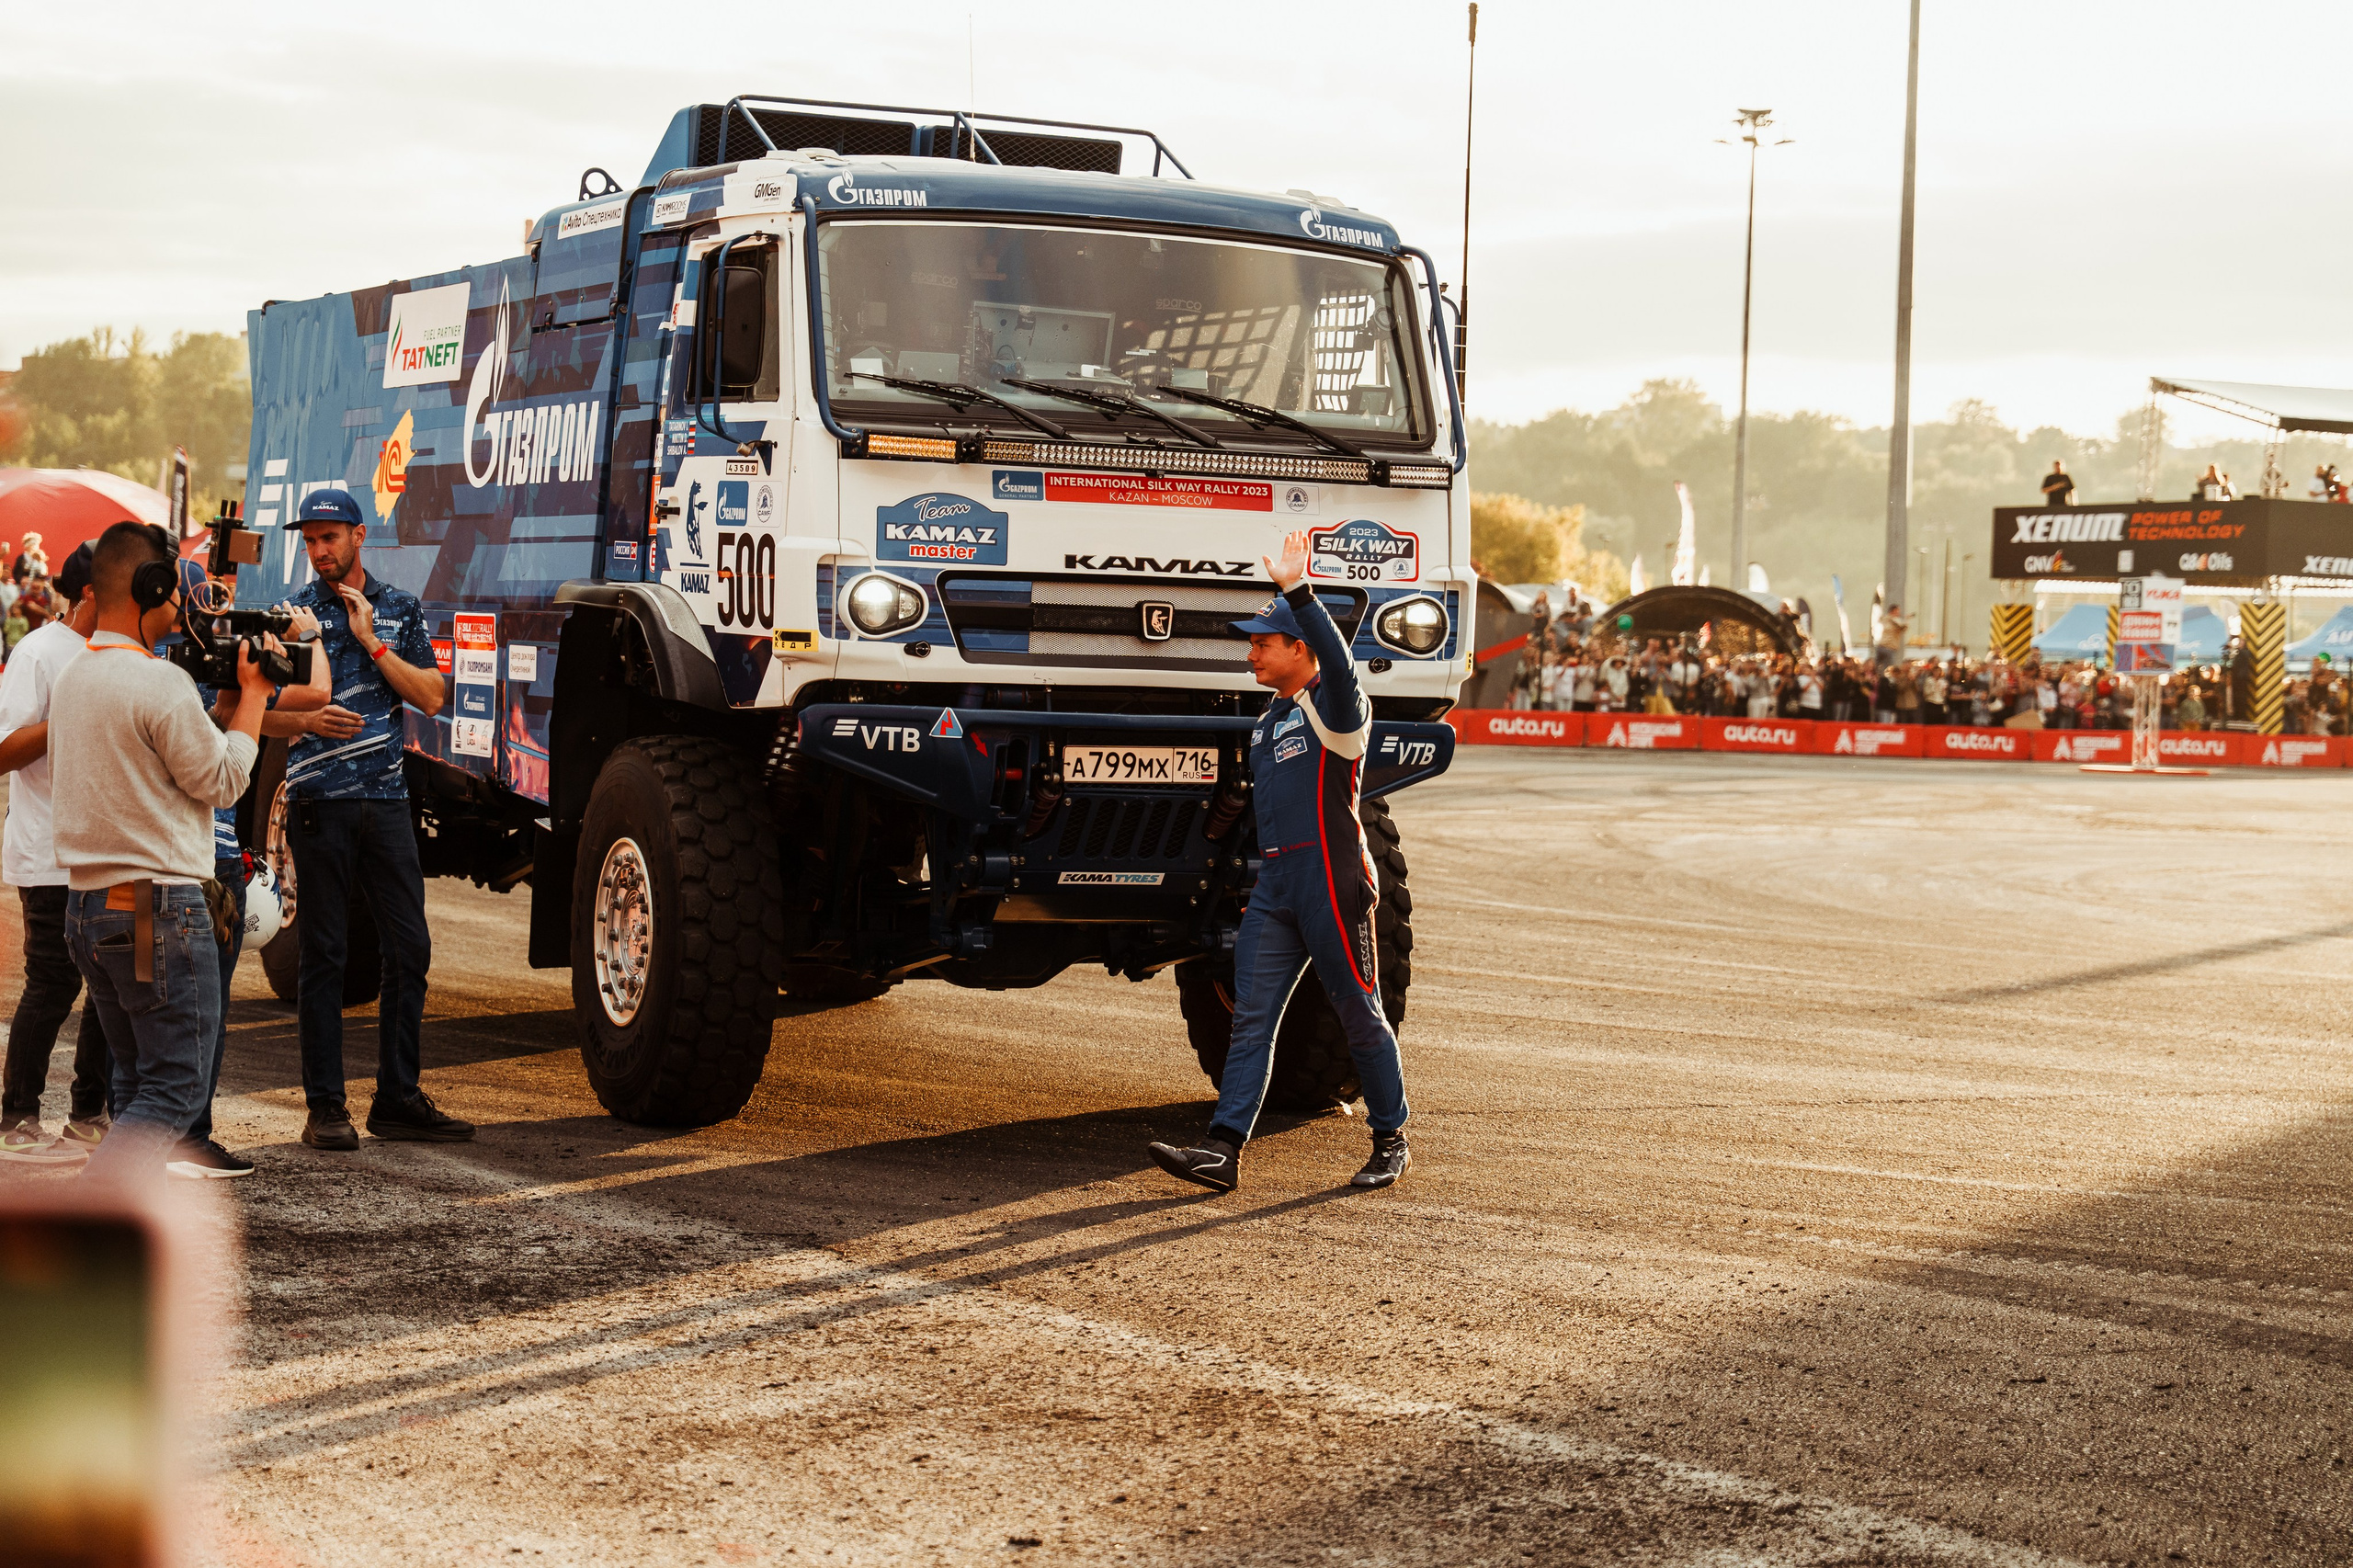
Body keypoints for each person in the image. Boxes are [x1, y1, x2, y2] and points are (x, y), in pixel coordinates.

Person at [1147, 528, 1410, 1193]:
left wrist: (1300, 592)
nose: (1251, 652)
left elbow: (1339, 664)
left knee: (1358, 1014)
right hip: (1276, 885)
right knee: (1251, 1020)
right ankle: (1222, 1150)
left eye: (1264, 642)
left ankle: (1391, 1139)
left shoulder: (1337, 708)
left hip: (1333, 881)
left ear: (1299, 647)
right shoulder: (1268, 720)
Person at [46, 522, 275, 1181]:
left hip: (90, 907)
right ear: (151, 588)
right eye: (175, 592)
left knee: (138, 1082)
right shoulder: (160, 683)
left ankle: (122, 1222)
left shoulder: (73, 677)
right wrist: (255, 699)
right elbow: (224, 781)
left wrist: (228, 706)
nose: (182, 606)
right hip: (152, 907)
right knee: (174, 1089)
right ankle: (89, 1221)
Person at [278, 487, 471, 1150]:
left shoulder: (399, 608)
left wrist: (371, 642)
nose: (318, 550)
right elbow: (248, 710)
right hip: (318, 801)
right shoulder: (293, 616)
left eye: (329, 537)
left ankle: (397, 1098)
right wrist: (306, 718)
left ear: (359, 536)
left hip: (387, 800)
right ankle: (325, 1107)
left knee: (409, 948)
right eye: (310, 540)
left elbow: (434, 697)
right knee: (325, 954)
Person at [0, 543, 114, 1164]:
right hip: (48, 852)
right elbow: (4, 750)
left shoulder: (126, 652)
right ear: (90, 591)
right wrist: (69, 713)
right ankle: (15, 1117)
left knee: (113, 986)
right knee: (53, 981)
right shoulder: (40, 652)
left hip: (112, 850)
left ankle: (88, 1115)